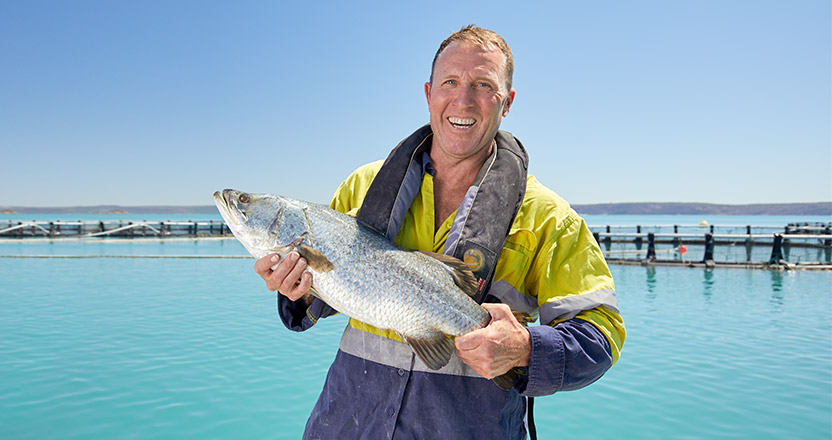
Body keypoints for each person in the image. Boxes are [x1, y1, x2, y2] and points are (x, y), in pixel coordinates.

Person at [254, 25, 625, 440]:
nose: (462, 99)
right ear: (429, 92)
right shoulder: (361, 186)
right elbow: (325, 295)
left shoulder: (550, 219)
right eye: (450, 82)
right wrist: (297, 290)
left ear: (508, 102)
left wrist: (524, 347)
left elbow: (601, 335)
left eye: (483, 84)